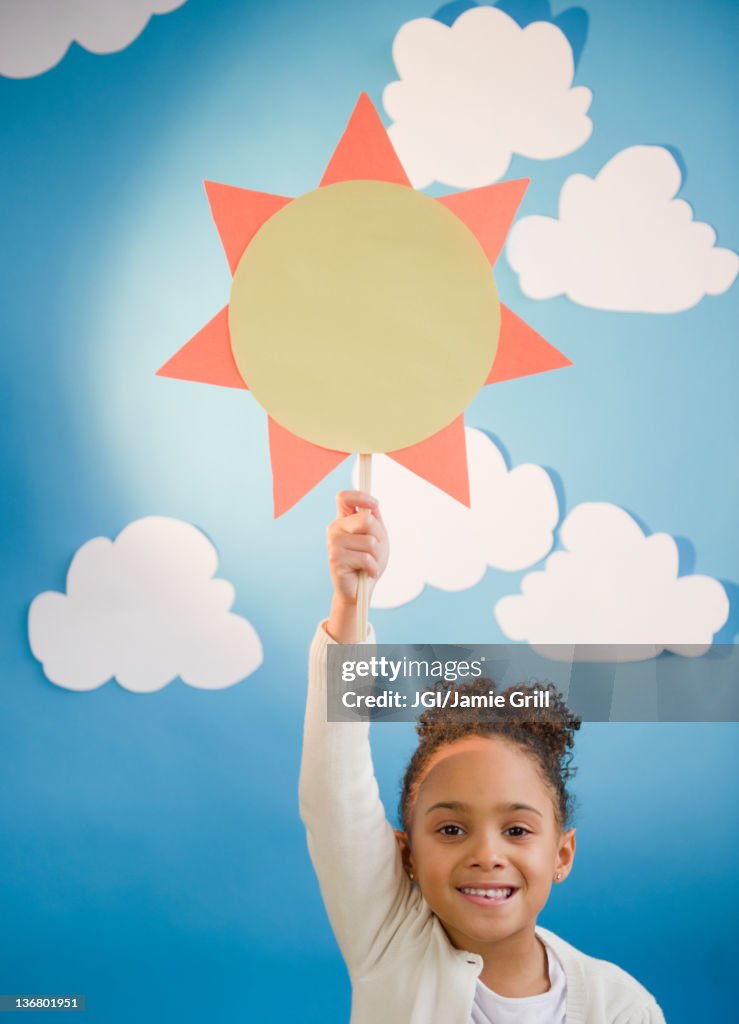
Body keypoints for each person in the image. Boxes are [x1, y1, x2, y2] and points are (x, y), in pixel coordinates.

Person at [300, 490, 666, 1024]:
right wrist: (351, 606)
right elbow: (334, 793)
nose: (487, 854)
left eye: (517, 830)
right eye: (450, 829)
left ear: (561, 855)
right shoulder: (389, 939)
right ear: (406, 857)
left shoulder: (622, 1007)